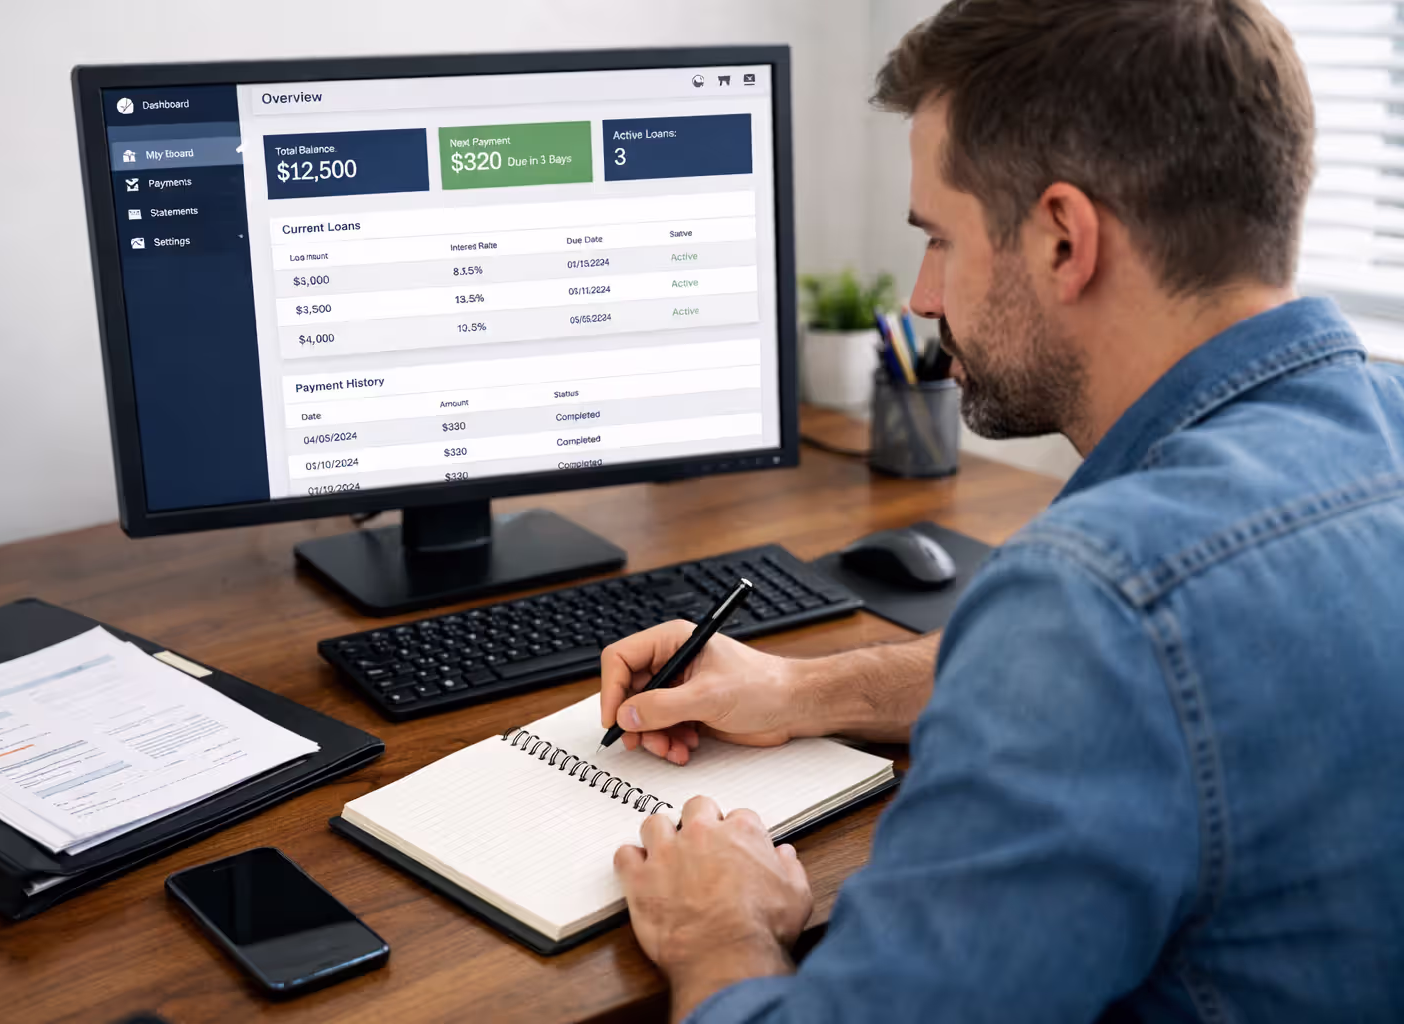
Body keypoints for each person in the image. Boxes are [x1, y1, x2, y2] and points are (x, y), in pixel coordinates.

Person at [599, 1, 1404, 1021]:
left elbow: (1111, 653)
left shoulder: (1097, 604)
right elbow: (1175, 673)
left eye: (940, 238)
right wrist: (801, 689)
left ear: (1065, 238)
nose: (923, 297)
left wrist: (720, 928)